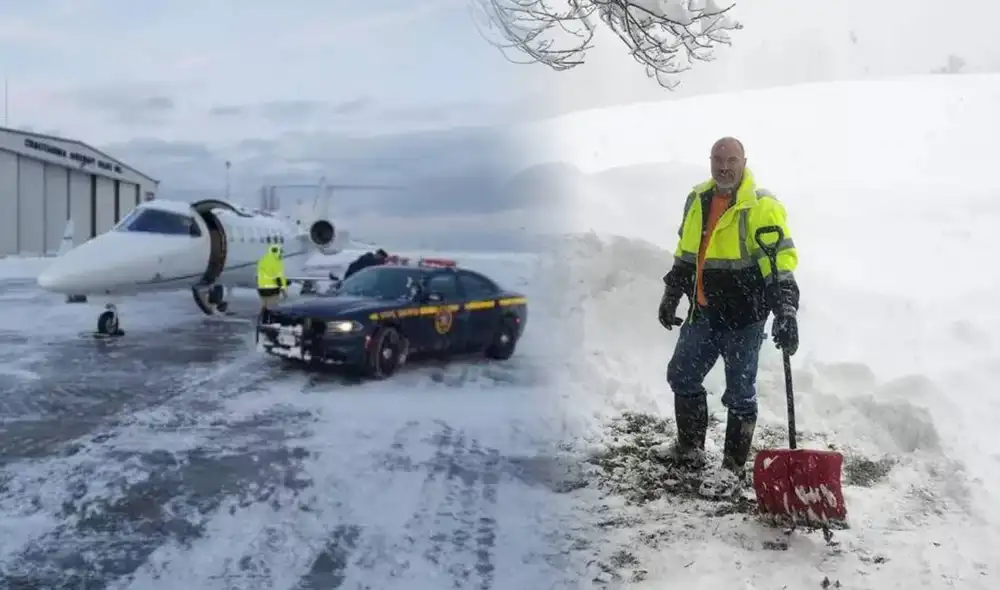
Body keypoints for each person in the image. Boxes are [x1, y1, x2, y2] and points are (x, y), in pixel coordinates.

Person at [658, 136, 800, 489]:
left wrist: (786, 309)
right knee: (682, 375)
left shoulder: (761, 206)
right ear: (710, 161)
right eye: (718, 159)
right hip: (703, 312)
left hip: (744, 319)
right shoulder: (698, 198)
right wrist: (672, 292)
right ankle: (690, 448)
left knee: (739, 393)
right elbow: (687, 251)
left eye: (731, 159)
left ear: (744, 161)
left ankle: (733, 468)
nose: (724, 166)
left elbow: (781, 262)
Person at [256, 244, 288, 318]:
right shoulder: (275, 262)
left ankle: (262, 319)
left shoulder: (263, 260)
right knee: (272, 307)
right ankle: (270, 322)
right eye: (280, 252)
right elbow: (277, 278)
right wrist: (283, 290)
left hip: (262, 289)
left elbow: (258, 275)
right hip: (272, 289)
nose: (281, 255)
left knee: (264, 305)